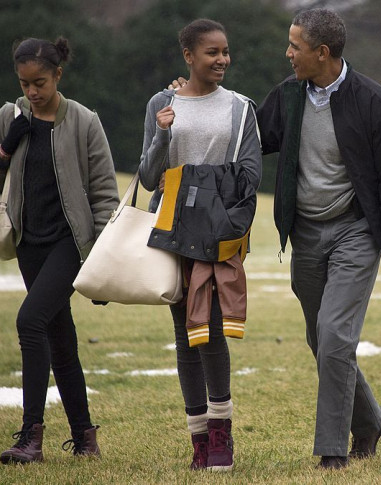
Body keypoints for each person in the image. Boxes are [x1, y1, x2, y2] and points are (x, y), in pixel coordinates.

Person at [255, 9, 381, 469]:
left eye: (295, 46)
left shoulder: (371, 101)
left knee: (334, 336)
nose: (288, 54)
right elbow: (249, 134)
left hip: (356, 231)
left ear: (321, 53)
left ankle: (332, 450)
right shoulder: (288, 97)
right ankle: (369, 418)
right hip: (305, 235)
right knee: (322, 338)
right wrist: (193, 101)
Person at [0, 37, 119, 464]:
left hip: (70, 245)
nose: (32, 92)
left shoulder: (84, 121)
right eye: (25, 84)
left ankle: (30, 438)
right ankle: (85, 438)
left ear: (58, 74)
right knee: (60, 339)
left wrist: (101, 259)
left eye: (40, 82)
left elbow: (105, 195)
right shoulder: (10, 116)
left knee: (30, 320)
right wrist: (6, 146)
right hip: (29, 245)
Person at [138, 19, 262, 472]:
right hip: (171, 230)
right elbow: (150, 177)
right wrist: (164, 133)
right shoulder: (161, 102)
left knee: (209, 330)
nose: (222, 60)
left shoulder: (241, 108)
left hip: (216, 233)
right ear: (189, 56)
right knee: (184, 336)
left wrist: (222, 221)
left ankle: (221, 439)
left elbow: (250, 177)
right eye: (212, 52)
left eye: (225, 51)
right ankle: (198, 442)